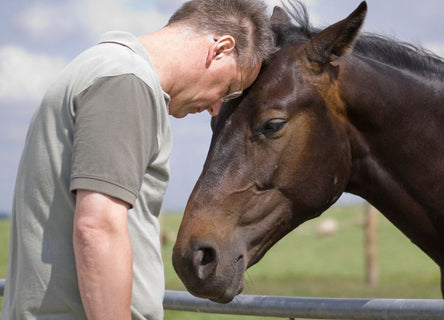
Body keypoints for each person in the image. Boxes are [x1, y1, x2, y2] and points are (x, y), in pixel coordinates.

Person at [1, 0, 275, 319]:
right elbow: (98, 226)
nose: (216, 108)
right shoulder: (127, 81)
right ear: (221, 48)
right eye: (229, 89)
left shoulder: (102, 67)